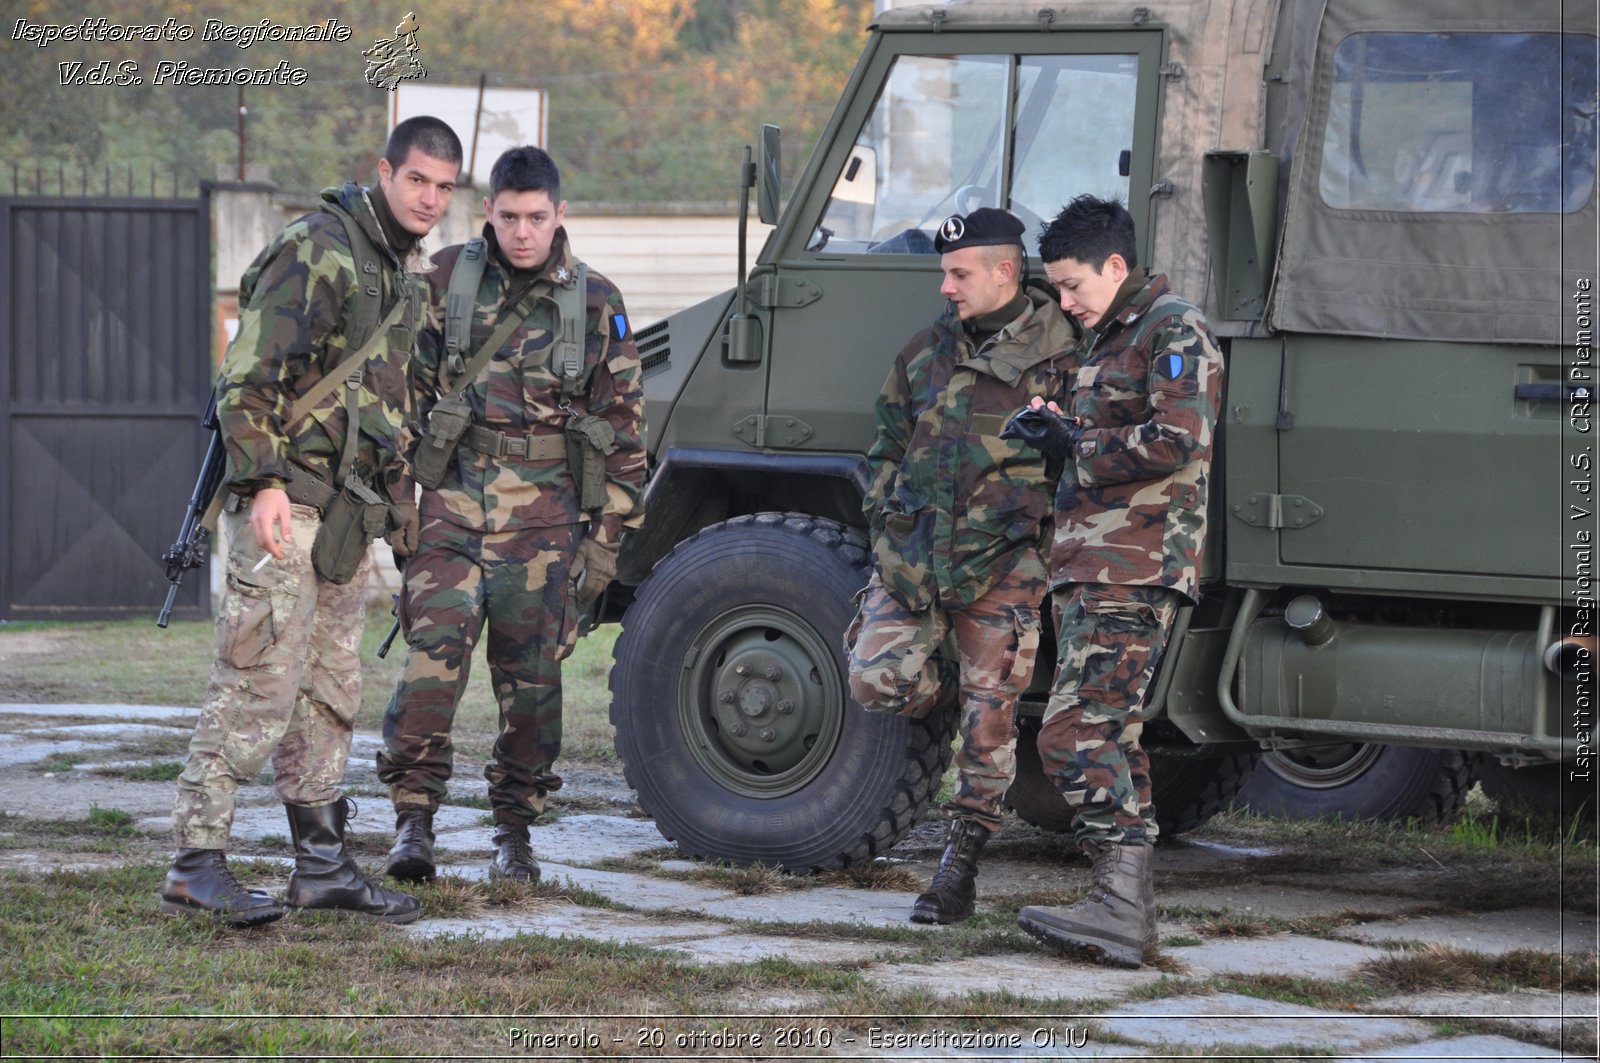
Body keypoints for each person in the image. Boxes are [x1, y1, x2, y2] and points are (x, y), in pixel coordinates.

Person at [163, 116, 463, 927]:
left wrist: (397, 513)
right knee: (257, 682)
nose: (431, 199)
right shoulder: (320, 246)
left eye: (443, 187)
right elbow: (248, 374)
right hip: (284, 506)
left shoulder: (397, 271)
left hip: (343, 518)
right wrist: (259, 481)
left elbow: (388, 407)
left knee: (330, 693)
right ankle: (195, 861)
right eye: (418, 181)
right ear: (385, 173)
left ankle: (322, 865)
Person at [376, 146, 646, 884]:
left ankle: (514, 830)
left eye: (536, 217)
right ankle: (413, 821)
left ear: (560, 214)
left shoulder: (598, 303)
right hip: (452, 512)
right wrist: (401, 504)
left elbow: (624, 431)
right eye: (508, 216)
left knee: (531, 689)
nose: (521, 232)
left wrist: (607, 540)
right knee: (430, 673)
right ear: (486, 211)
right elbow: (395, 399)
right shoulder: (441, 283)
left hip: (547, 526)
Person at [1004, 194, 1223, 968]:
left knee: (1073, 731)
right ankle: (1121, 906)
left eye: (1071, 285)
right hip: (1096, 566)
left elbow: (1179, 437)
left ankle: (1120, 904)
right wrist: (1052, 431)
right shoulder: (1113, 334)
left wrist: (1079, 442)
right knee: (1109, 732)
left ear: (1117, 265)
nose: (1063, 301)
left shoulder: (1173, 330)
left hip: (1134, 567)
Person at [849, 207, 1079, 924]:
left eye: (958, 273)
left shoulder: (1064, 359)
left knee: (990, 726)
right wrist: (890, 526)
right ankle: (957, 678)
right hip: (917, 563)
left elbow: (1088, 464)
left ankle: (960, 865)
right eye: (944, 274)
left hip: (1003, 567)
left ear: (1005, 272)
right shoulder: (927, 352)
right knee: (873, 678)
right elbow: (886, 445)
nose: (945, 286)